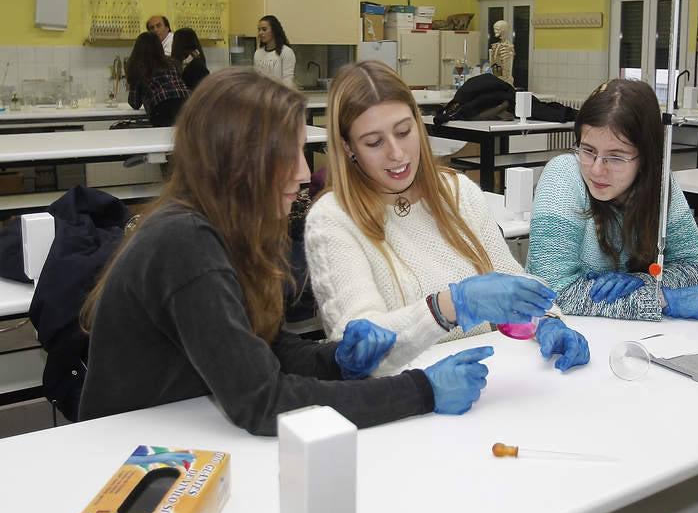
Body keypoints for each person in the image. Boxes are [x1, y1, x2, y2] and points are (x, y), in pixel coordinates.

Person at [79, 68, 495, 435]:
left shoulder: (228, 228)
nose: (302, 172)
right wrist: (421, 391)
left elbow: (270, 349)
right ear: (237, 162)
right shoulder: (184, 242)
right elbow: (263, 402)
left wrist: (339, 361)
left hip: (187, 430)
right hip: (126, 455)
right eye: (287, 155)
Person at [305, 60, 590, 377]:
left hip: (490, 384)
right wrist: (450, 306)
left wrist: (546, 320)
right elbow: (359, 349)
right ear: (347, 147)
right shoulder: (332, 219)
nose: (397, 153)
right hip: (406, 401)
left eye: (404, 131)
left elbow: (513, 280)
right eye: (374, 142)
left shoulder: (456, 192)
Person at [527, 79, 698, 321]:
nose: (596, 170)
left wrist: (639, 280)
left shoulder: (660, 184)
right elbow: (552, 290)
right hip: (562, 330)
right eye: (588, 150)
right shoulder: (563, 175)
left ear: (646, 157)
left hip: (638, 338)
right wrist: (660, 299)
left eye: (616, 157)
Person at [126, 30, 190, 127]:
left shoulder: (139, 66)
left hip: (162, 108)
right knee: (182, 139)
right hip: (187, 104)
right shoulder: (172, 62)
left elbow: (134, 103)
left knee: (163, 139)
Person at [254, 14, 296, 87]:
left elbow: (288, 82)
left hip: (279, 96)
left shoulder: (286, 52)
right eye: (259, 30)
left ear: (274, 30)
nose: (260, 33)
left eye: (264, 29)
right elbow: (256, 80)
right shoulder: (258, 53)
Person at [489, 20, 514, 87]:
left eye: (497, 29)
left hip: (504, 81)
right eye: (494, 29)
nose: (495, 31)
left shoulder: (507, 47)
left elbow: (507, 67)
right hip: (496, 78)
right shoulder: (496, 45)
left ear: (503, 30)